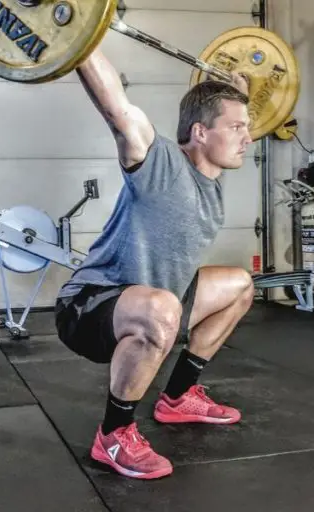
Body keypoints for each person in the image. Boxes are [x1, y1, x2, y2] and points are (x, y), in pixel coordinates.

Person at [53, 47, 256, 480]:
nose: (248, 138)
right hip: (90, 307)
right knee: (162, 308)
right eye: (237, 128)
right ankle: (114, 434)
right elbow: (117, 106)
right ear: (199, 133)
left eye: (247, 127)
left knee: (240, 283)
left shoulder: (212, 180)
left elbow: (232, 106)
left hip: (159, 302)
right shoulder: (158, 160)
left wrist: (240, 88)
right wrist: (79, 40)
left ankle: (178, 397)